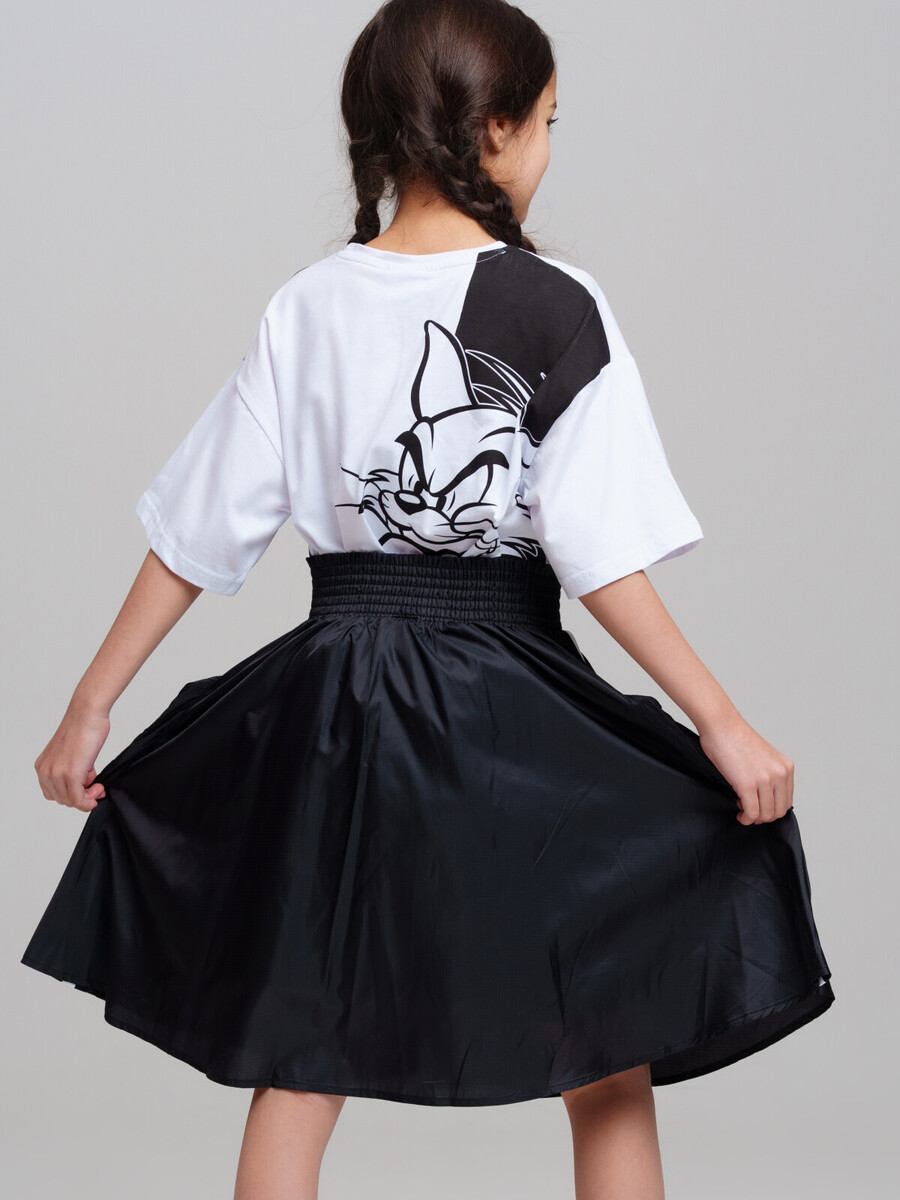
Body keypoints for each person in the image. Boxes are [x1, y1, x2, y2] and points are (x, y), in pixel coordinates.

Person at [21, 2, 834, 1198]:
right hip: (508, 702)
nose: (549, 148)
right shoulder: (555, 302)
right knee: (606, 1034)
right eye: (548, 122)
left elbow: (198, 528)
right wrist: (721, 722)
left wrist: (91, 707)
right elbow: (596, 551)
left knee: (302, 1047)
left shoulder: (308, 304)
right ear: (494, 129)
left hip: (337, 710)